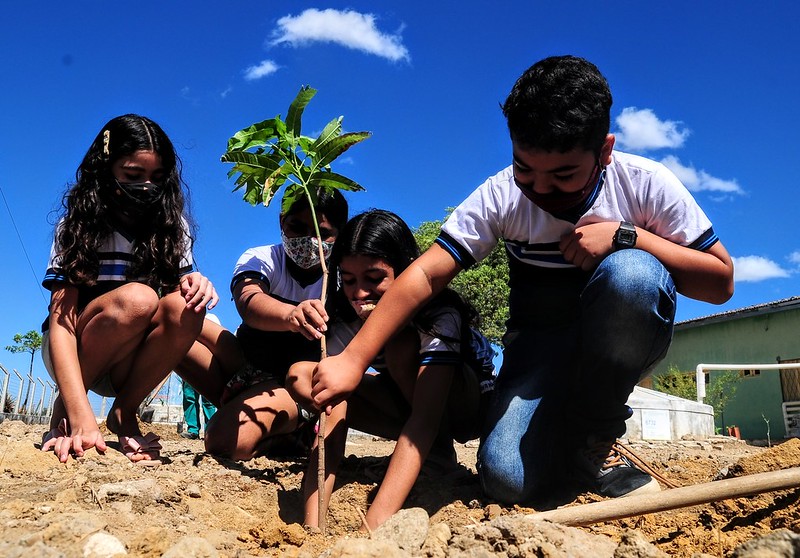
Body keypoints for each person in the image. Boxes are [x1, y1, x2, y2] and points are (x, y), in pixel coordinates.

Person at [311, 55, 734, 505]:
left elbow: (720, 282)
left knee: (631, 274)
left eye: (563, 176)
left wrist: (628, 237)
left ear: (604, 151)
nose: (541, 191)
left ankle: (598, 434)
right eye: (525, 170)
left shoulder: (646, 184)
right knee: (506, 480)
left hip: (616, 340)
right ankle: (567, 443)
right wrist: (354, 358)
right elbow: (427, 272)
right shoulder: (502, 196)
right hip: (537, 349)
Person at [287, 209, 496, 530]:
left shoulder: (439, 315)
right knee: (306, 374)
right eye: (349, 280)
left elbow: (424, 420)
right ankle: (316, 518)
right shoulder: (344, 322)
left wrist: (372, 530)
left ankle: (438, 457)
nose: (359, 294)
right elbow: (331, 407)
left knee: (400, 346)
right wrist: (312, 529)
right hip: (409, 409)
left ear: (406, 273)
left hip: (467, 409)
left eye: (374, 279)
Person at [40, 114, 219, 464]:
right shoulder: (77, 226)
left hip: (129, 363)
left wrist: (197, 283)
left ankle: (124, 412)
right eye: (133, 176)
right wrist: (78, 415)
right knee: (138, 298)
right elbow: (61, 322)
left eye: (157, 178)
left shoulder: (172, 228)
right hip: (74, 351)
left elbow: (174, 311)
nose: (146, 187)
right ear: (105, 170)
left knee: (187, 304)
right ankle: (64, 418)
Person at [200, 188, 348, 460]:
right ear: (282, 222)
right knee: (184, 319)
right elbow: (249, 301)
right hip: (245, 363)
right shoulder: (261, 258)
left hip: (290, 385)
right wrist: (291, 316)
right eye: (297, 227)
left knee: (224, 442)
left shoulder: (341, 281)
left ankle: (291, 430)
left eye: (323, 233)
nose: (310, 240)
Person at [179, 315, 221, 439]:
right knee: (189, 397)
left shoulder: (212, 320)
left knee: (209, 400)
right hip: (189, 366)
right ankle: (193, 430)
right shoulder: (189, 324)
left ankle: (210, 430)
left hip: (208, 367)